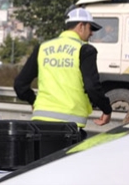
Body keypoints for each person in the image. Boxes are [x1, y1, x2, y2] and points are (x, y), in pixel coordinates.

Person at [14, 7, 112, 140]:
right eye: (91, 28)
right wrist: (106, 109)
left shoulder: (42, 48)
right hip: (70, 128)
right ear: (81, 26)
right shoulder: (84, 50)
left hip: (39, 124)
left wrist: (34, 101)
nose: (92, 34)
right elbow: (92, 86)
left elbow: (20, 85)